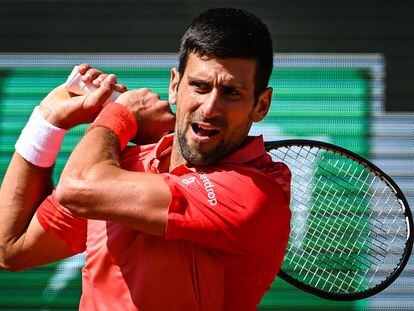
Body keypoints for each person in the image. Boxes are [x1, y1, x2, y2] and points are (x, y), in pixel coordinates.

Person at [0, 7, 291, 311]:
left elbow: (77, 187)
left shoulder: (255, 194)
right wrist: (46, 122)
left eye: (231, 92)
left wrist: (121, 114)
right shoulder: (122, 165)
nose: (210, 107)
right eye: (199, 86)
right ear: (175, 86)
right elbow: (11, 248)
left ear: (261, 105)